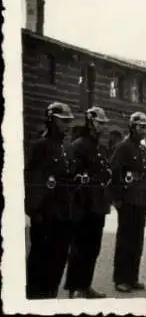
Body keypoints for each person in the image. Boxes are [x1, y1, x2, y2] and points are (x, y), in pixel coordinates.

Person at [25, 102, 74, 299]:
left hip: (64, 213)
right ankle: (35, 298)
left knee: (58, 258)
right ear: (51, 120)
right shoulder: (40, 146)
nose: (67, 125)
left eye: (69, 121)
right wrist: (34, 211)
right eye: (63, 121)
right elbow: (31, 179)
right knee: (40, 260)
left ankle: (50, 296)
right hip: (45, 214)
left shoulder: (65, 147)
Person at [64, 107, 111, 299]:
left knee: (93, 247)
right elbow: (73, 177)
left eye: (103, 124)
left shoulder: (99, 147)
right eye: (100, 123)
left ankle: (85, 285)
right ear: (90, 122)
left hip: (97, 204)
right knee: (79, 247)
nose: (102, 127)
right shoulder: (79, 145)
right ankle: (74, 287)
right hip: (83, 205)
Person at [110, 112, 146, 293]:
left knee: (137, 241)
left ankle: (132, 277)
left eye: (145, 127)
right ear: (132, 127)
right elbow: (115, 173)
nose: (144, 130)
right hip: (128, 199)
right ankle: (121, 278)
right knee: (125, 240)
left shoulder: (142, 150)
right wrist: (117, 199)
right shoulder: (123, 147)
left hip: (141, 199)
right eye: (140, 127)